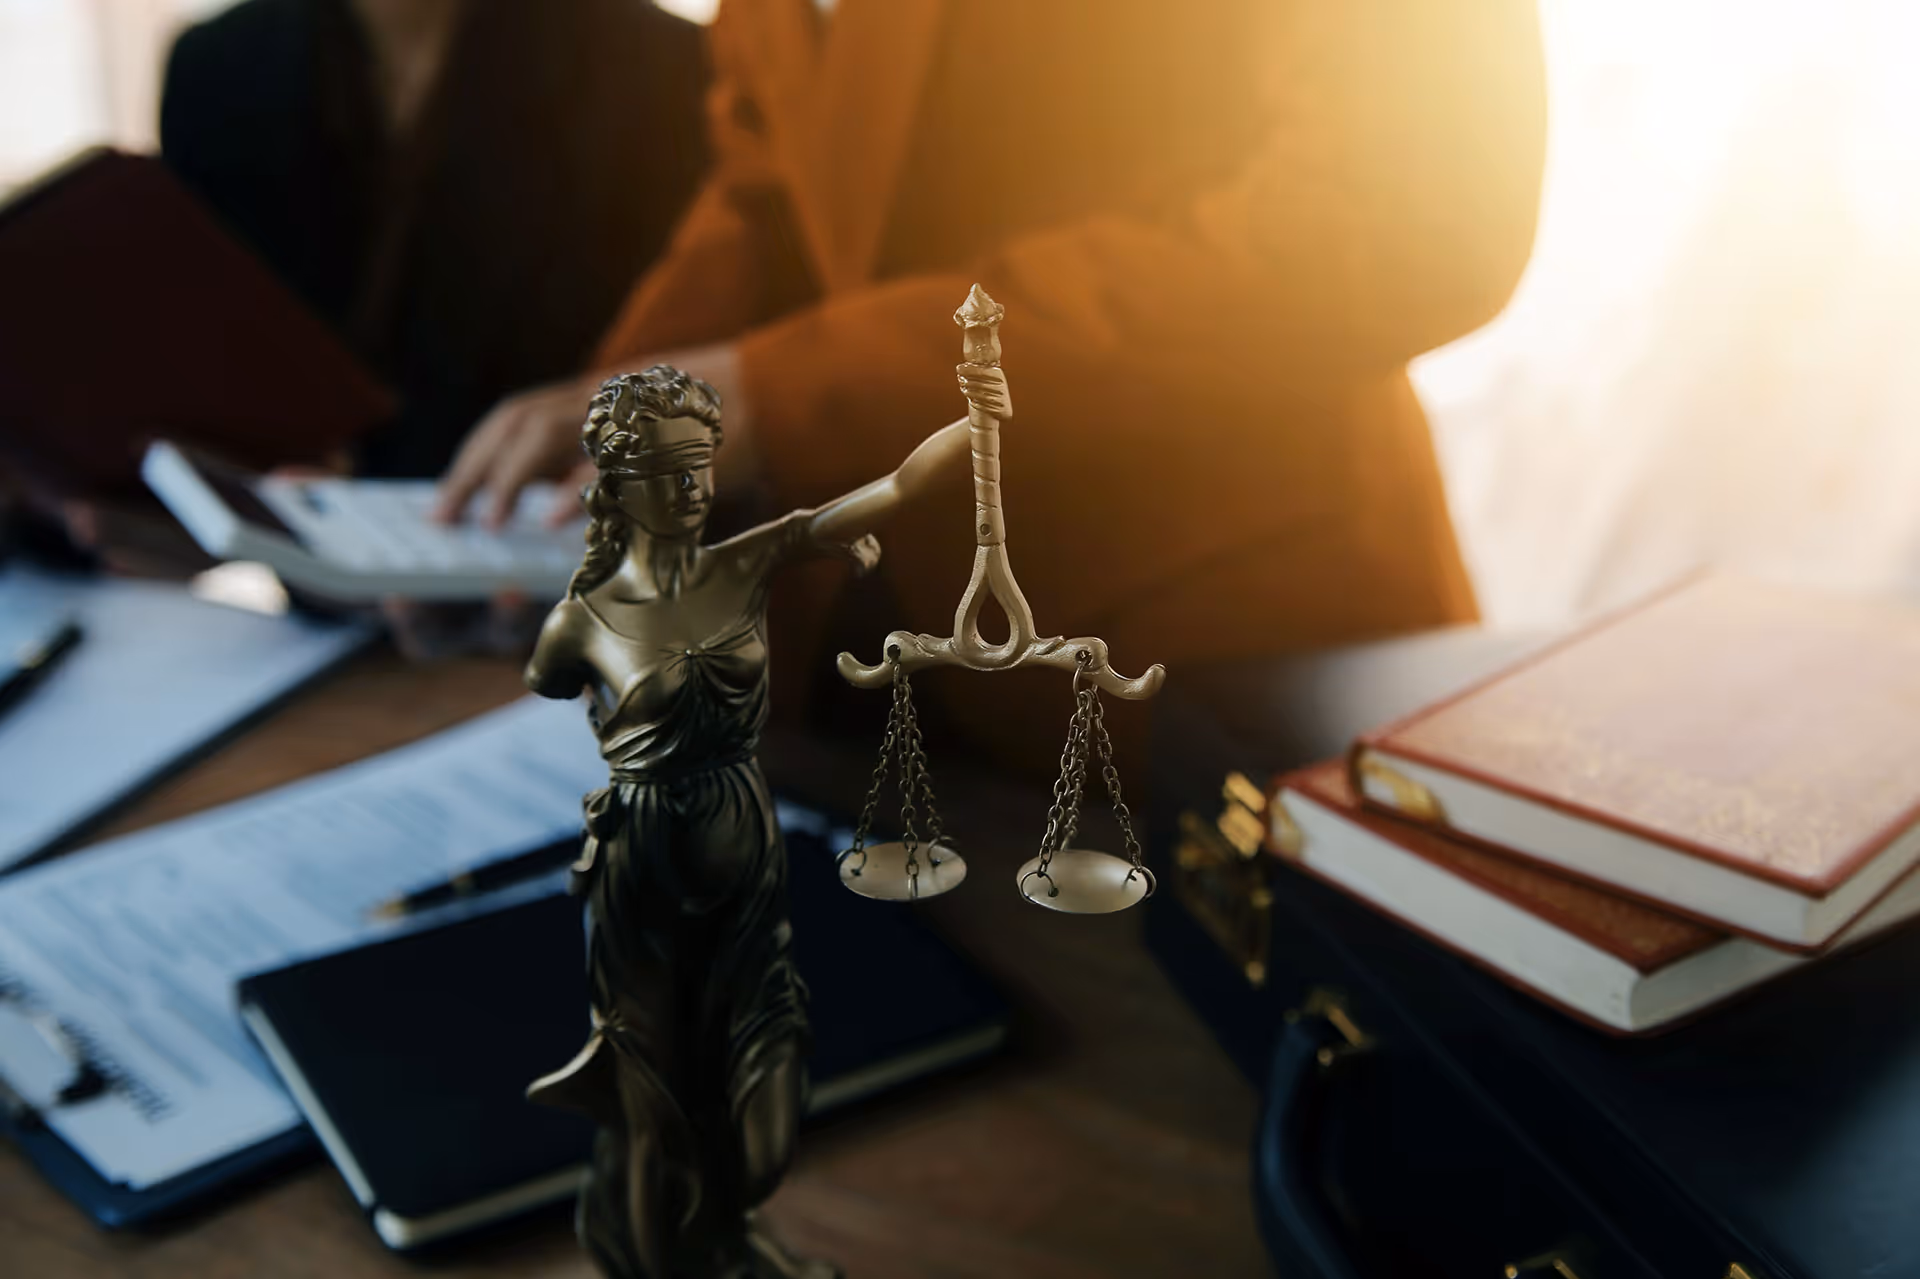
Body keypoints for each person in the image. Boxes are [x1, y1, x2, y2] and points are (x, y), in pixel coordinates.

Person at [438, 0, 1548, 765]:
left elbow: (1404, 225)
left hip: (1235, 662)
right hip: (899, 680)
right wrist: (593, 455)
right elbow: (770, 185)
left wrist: (786, 395)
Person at [520, 361, 996, 1278]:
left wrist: (974, 428)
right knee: (654, 1091)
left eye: (701, 467)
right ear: (617, 485)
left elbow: (888, 491)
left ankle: (727, 1231)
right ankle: (667, 1253)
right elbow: (544, 682)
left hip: (744, 840)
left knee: (765, 1108)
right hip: (642, 863)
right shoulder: (579, 621)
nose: (692, 493)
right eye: (666, 475)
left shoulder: (742, 563)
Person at [159, 0, 709, 479]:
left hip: (562, 566)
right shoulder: (215, 69)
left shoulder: (662, 71)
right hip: (304, 572)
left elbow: (684, 390)